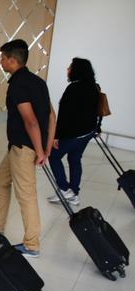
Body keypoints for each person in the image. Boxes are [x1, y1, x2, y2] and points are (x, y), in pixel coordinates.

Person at [0, 39, 56, 258]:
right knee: (1, 180)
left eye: (3, 58)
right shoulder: (38, 82)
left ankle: (32, 244)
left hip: (24, 148)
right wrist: (47, 148)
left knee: (27, 195)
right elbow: (50, 116)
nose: (0, 61)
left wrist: (40, 151)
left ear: (13, 60)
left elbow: (30, 121)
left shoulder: (18, 85)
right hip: (18, 147)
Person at [47, 58, 100, 206]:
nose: (67, 69)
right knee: (75, 159)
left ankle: (64, 190)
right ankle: (74, 194)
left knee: (53, 155)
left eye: (70, 67)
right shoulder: (94, 87)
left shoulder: (73, 88)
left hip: (74, 133)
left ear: (76, 70)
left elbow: (64, 115)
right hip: (88, 132)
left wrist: (56, 136)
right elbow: (97, 110)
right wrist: (98, 127)